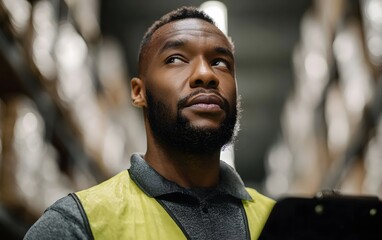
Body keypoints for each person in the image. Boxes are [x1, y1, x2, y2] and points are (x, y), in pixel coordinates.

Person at [24, 6, 275, 239]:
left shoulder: (278, 223)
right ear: (138, 92)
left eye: (220, 62)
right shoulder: (80, 223)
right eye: (176, 58)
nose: (206, 74)